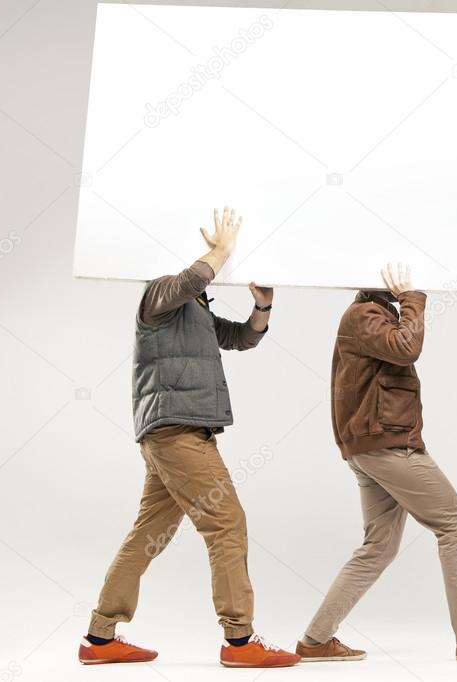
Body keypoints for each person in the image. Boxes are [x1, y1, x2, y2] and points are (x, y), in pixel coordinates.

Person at [78, 207, 300, 668]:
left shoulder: (194, 309)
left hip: (177, 432)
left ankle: (99, 638)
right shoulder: (160, 292)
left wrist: (263, 306)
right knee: (227, 523)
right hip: (176, 431)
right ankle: (239, 642)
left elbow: (241, 339)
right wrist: (220, 249)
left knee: (149, 532)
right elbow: (187, 282)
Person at [296, 263, 457, 663]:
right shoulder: (364, 313)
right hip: (386, 444)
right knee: (455, 524)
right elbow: (407, 347)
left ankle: (315, 640)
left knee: (378, 547)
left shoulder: (369, 314)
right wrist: (413, 298)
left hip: (371, 445)